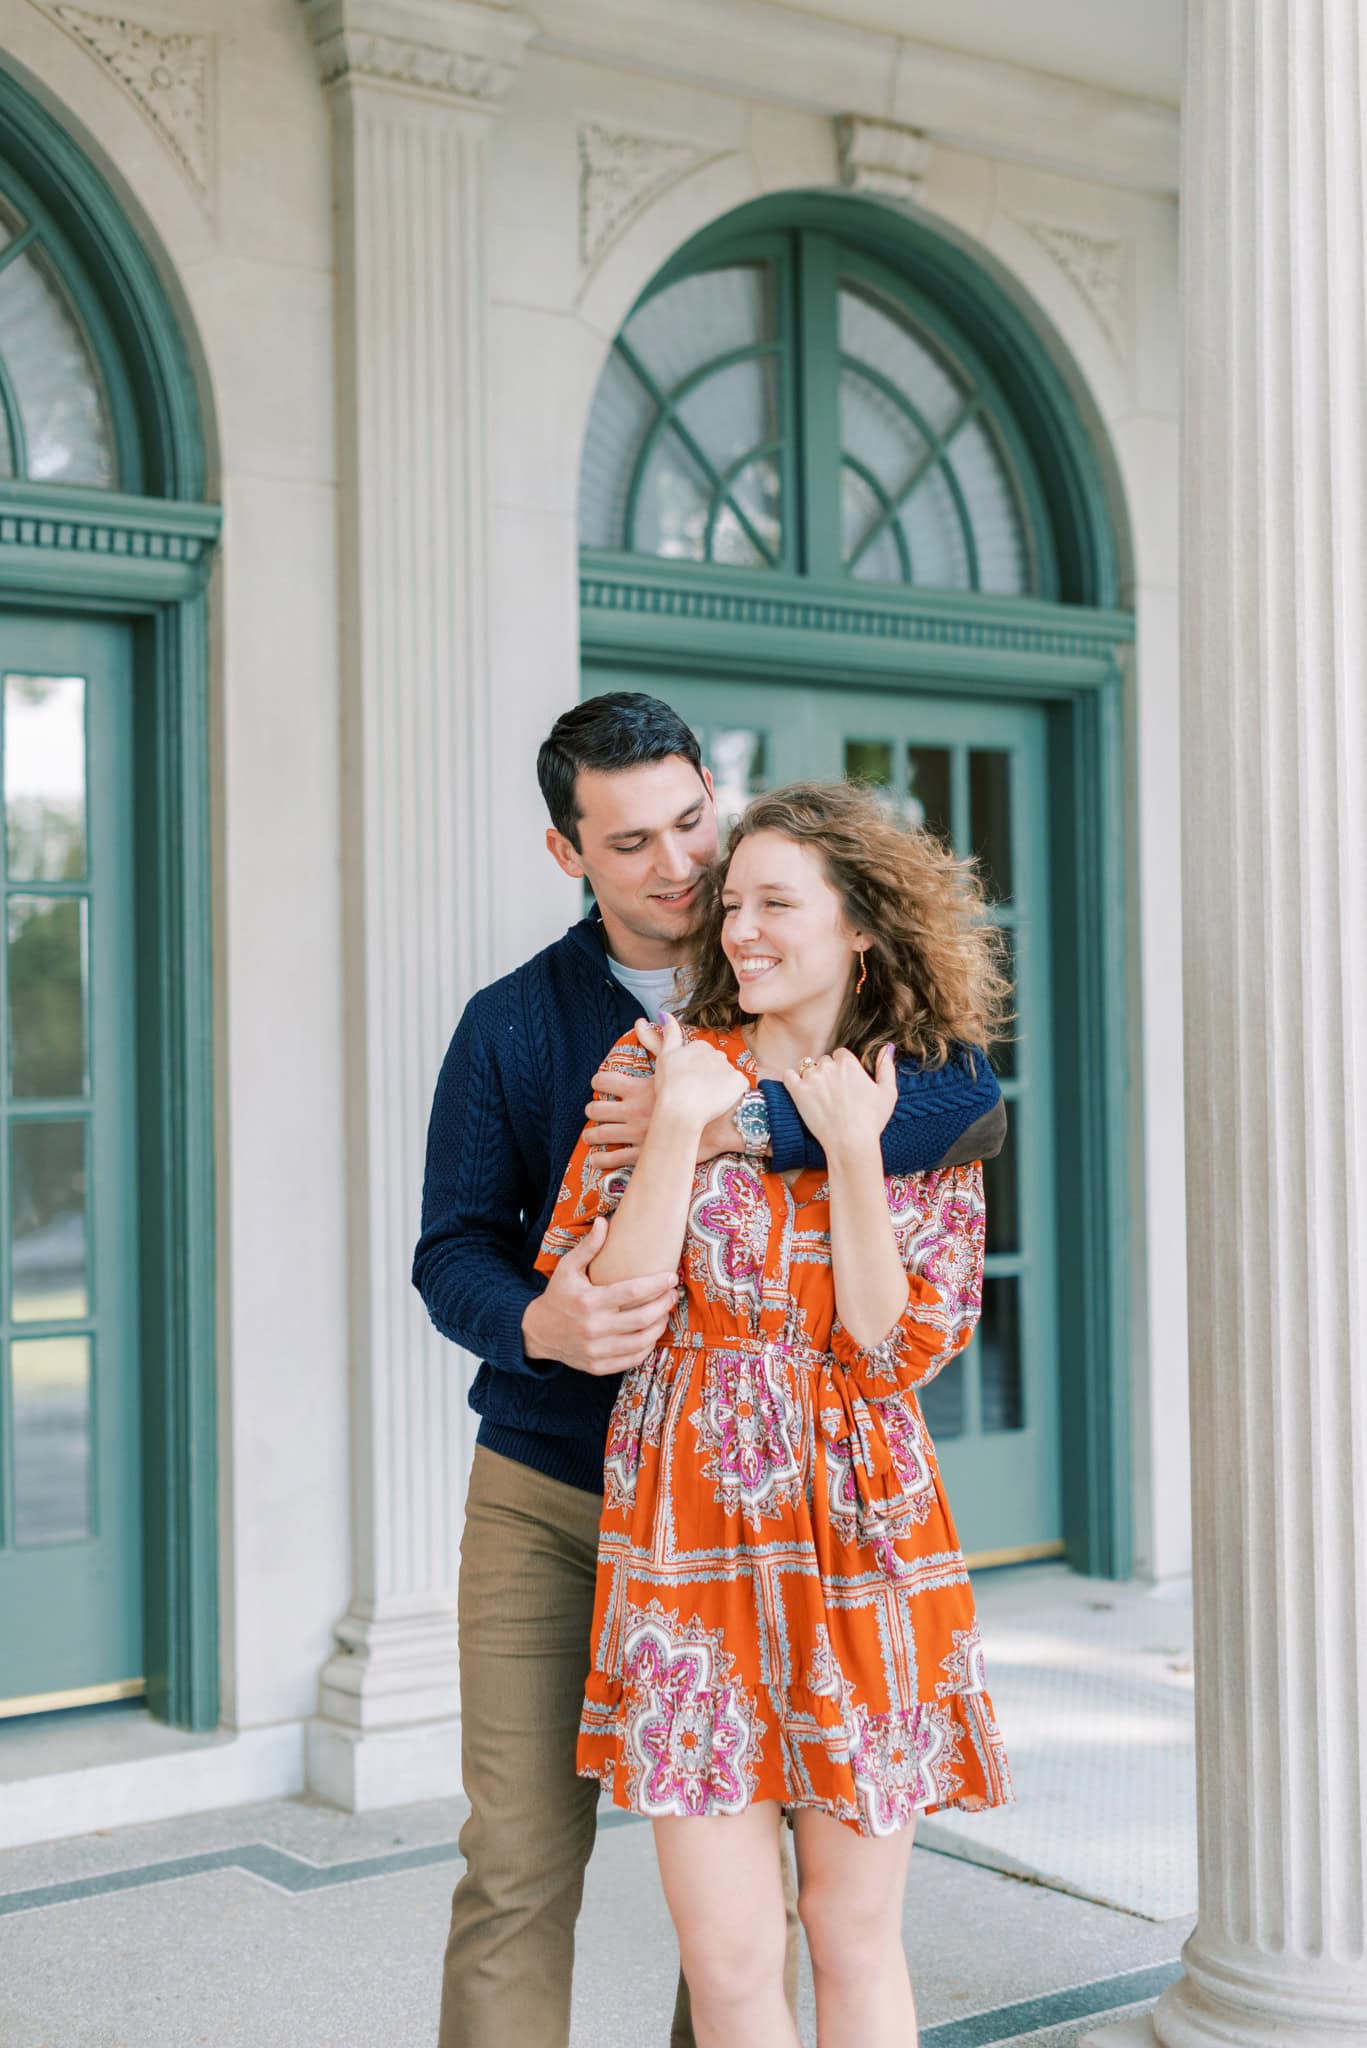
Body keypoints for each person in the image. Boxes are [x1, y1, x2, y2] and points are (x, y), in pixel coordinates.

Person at [413, 695, 1005, 2048]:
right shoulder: (522, 1025)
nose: (685, 871)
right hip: (567, 1486)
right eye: (633, 843)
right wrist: (539, 1326)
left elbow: (960, 1102)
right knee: (520, 1865)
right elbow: (453, 1250)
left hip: (812, 1514)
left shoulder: (855, 1040)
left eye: (696, 826)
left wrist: (743, 1121)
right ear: (570, 855)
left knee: (772, 1930)